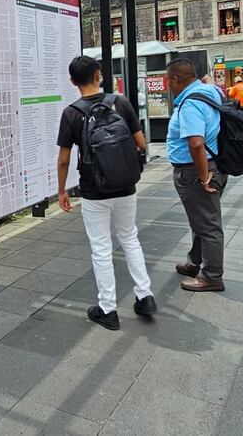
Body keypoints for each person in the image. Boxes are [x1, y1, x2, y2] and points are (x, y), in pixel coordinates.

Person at [56, 56, 156, 330]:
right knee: (129, 238)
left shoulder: (71, 113)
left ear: (73, 81)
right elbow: (140, 142)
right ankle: (144, 295)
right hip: (126, 186)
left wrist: (61, 190)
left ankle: (108, 309)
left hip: (93, 190)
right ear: (99, 75)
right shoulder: (120, 103)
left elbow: (64, 159)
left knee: (101, 247)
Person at [165, 58, 227, 292]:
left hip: (196, 170)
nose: (168, 86)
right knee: (201, 220)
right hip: (213, 165)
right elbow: (210, 80)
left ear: (175, 79)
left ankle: (212, 276)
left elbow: (196, 143)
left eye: (169, 81)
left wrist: (203, 177)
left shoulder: (190, 104)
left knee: (208, 224)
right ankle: (194, 263)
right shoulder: (209, 90)